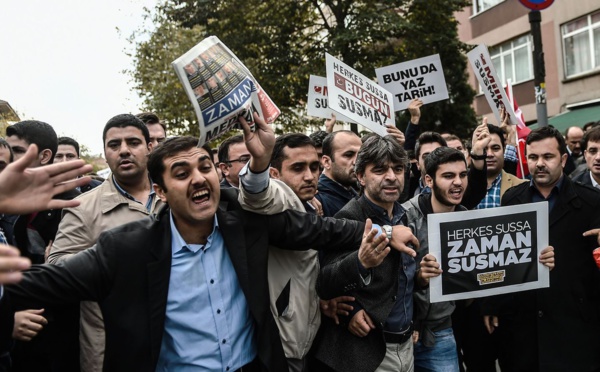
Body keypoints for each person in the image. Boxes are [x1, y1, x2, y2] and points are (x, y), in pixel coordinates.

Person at [2, 133, 415, 371]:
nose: (199, 178)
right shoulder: (125, 250)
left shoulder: (246, 227)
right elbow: (39, 284)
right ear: (160, 192)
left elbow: (317, 228)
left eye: (203, 166)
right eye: (181, 173)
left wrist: (384, 229)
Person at [47, 114, 163, 372]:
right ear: (106, 152)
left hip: (176, 346)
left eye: (133, 142)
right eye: (114, 145)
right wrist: (111, 255)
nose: (124, 151)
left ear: (149, 147)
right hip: (112, 352)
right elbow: (56, 270)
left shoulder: (175, 194)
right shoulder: (82, 208)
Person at [483, 126, 598, 371]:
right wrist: (492, 304)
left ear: (563, 159)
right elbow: (500, 256)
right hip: (524, 324)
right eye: (533, 157)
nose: (540, 164)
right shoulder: (512, 199)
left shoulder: (591, 202)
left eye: (548, 157)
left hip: (574, 323)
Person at [316, 135, 425, 372]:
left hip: (405, 346)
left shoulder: (402, 215)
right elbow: (325, 282)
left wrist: (421, 276)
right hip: (368, 351)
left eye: (398, 169)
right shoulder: (349, 217)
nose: (391, 177)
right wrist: (360, 262)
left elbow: (399, 283)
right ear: (360, 177)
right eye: (379, 170)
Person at [6, 120, 81, 371]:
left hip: (55, 338)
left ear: (44, 156)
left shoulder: (73, 206)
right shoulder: (8, 200)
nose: (9, 157)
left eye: (17, 151)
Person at [401, 147, 472, 372]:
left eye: (462, 175)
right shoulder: (405, 216)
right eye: (449, 176)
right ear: (429, 180)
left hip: (441, 331)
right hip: (401, 334)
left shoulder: (467, 219)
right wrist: (420, 277)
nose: (458, 182)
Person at [409, 125, 488, 210]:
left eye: (438, 153)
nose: (432, 159)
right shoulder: (408, 189)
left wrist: (477, 153)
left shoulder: (458, 194)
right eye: (426, 156)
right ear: (417, 164)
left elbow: (477, 186)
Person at [315, 130, 362, 217]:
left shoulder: (356, 193)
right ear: (326, 162)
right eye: (348, 155)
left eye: (360, 155)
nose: (357, 162)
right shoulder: (317, 201)